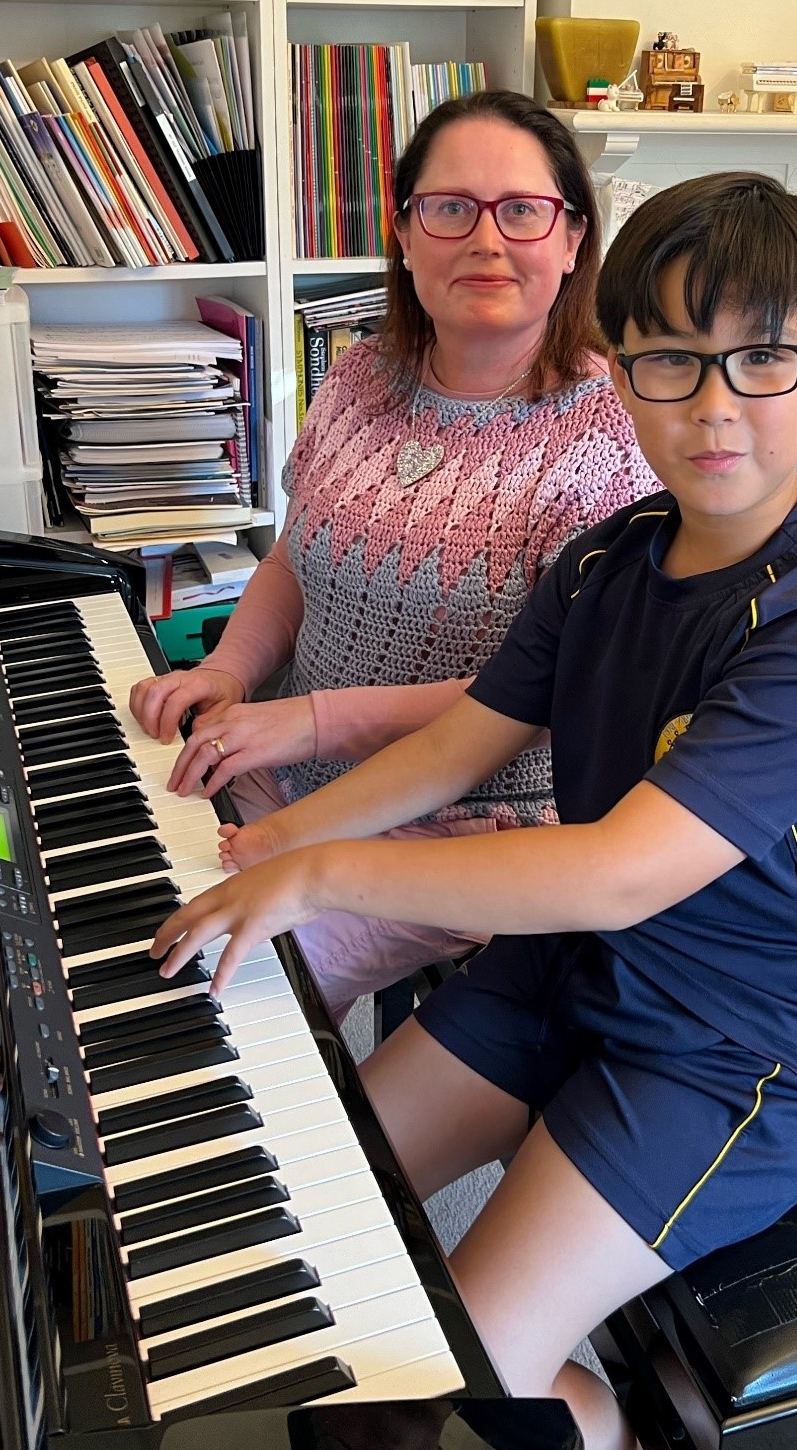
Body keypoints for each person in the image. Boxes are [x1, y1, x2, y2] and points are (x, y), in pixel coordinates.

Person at [149, 172, 797, 1450]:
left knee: (469, 1362)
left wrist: (330, 879)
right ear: (615, 366)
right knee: (312, 1215)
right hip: (565, 977)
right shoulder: (605, 560)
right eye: (669, 359)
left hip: (732, 1045)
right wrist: (270, 843)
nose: (711, 404)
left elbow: (620, 871)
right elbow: (458, 744)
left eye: (759, 359)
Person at [129, 90, 658, 1017]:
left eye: (523, 210)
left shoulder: (612, 440)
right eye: (450, 208)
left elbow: (549, 698)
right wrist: (229, 670)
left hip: (466, 830)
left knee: (218, 995)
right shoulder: (358, 377)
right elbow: (295, 558)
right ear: (407, 234)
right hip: (285, 768)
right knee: (126, 888)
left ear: (574, 241)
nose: (485, 239)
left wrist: (311, 721)